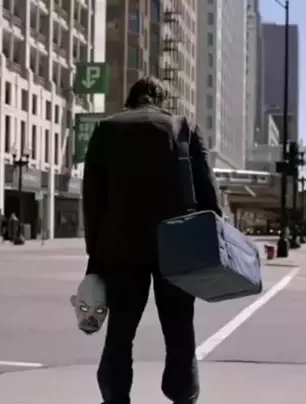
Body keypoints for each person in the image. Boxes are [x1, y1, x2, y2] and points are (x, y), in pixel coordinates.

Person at [82, 77, 221, 404]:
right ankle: (182, 394)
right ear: (163, 100)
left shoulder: (106, 129)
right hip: (178, 245)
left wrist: (95, 256)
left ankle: (115, 396)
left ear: (130, 100)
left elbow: (92, 198)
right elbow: (208, 192)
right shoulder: (182, 128)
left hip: (120, 247)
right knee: (179, 331)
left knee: (120, 332)